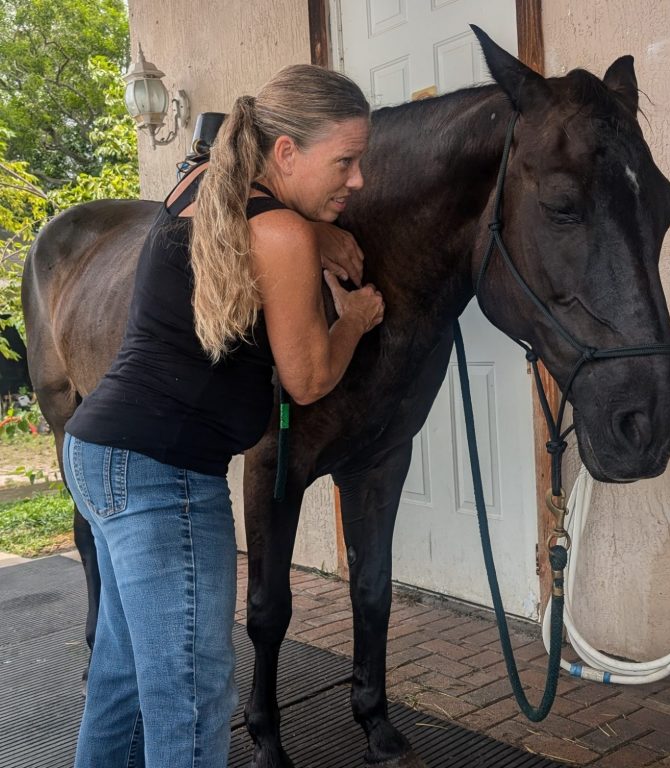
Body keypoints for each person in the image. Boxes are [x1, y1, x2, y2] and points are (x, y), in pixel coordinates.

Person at [62, 64, 384, 768]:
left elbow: (251, 228)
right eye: (346, 162)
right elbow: (307, 380)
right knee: (193, 697)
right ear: (287, 154)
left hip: (99, 454)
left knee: (122, 684)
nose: (357, 181)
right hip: (163, 479)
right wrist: (354, 319)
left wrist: (311, 226)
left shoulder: (200, 182)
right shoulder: (281, 235)